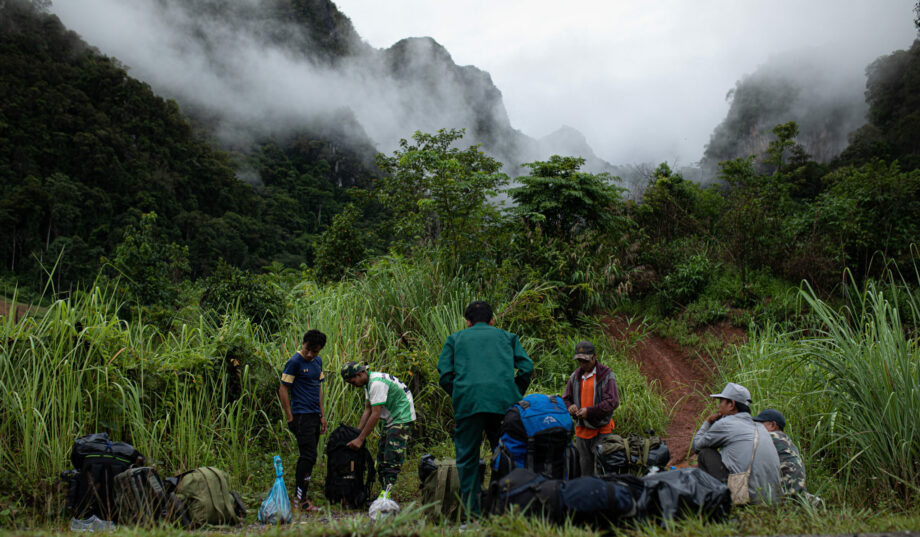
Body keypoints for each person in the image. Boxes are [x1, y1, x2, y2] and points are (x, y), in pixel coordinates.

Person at [437, 300, 534, 517]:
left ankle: (472, 515)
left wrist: (460, 393)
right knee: (507, 455)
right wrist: (514, 392)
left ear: (467, 322)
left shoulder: (455, 339)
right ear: (492, 320)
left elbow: (445, 375)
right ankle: (506, 510)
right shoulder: (508, 338)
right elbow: (527, 368)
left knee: (467, 459)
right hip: (504, 403)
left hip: (469, 403)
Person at [692, 382, 781, 504]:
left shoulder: (726, 424)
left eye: (721, 401)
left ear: (731, 405)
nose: (718, 406)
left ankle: (715, 503)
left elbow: (696, 446)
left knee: (705, 453)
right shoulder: (760, 427)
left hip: (746, 495)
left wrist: (707, 422)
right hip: (771, 497)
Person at [340, 361, 417, 495]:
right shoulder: (368, 383)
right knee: (381, 457)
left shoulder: (376, 383)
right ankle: (384, 490)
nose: (353, 385)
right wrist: (357, 433)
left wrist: (360, 439)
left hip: (401, 418)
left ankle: (386, 494)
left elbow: (375, 415)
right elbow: (368, 410)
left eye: (353, 382)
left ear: (360, 374)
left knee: (391, 457)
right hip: (391, 419)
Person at [279, 329, 328, 511]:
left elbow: (318, 389)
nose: (310, 354)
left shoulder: (318, 362)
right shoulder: (294, 362)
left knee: (311, 457)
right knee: (308, 456)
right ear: (303, 343)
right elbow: (283, 389)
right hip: (301, 416)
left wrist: (322, 415)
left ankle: (301, 498)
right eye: (308, 349)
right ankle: (300, 500)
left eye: (314, 352)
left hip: (314, 415)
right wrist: (290, 417)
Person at [561, 340, 620, 476]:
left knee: (603, 469)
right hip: (582, 431)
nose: (582, 364)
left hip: (602, 429)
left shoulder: (606, 375)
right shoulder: (575, 377)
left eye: (586, 361)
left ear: (594, 357)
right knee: (584, 469)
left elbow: (612, 401)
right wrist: (570, 407)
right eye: (580, 361)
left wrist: (590, 411)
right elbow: (566, 398)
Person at [752, 408, 817, 502]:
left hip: (786, 490)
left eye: (760, 424)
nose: (756, 427)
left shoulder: (772, 437)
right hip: (797, 488)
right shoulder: (785, 439)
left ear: (772, 425)